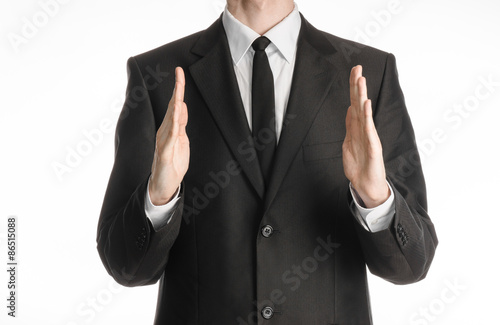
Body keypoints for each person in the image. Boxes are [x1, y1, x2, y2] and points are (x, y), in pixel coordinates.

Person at [96, 0, 438, 324]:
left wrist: (376, 199)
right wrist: (159, 196)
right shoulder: (156, 75)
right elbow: (126, 267)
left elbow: (411, 266)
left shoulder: (370, 74)